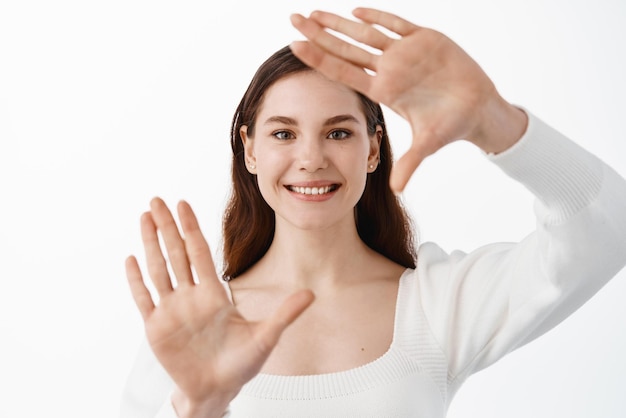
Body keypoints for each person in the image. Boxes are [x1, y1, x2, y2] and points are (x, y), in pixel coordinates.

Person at [120, 7, 626, 418]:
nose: (312, 159)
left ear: (372, 149)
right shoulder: (196, 325)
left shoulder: (437, 302)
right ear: (249, 150)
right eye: (283, 133)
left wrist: (493, 120)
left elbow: (610, 228)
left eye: (339, 132)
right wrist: (196, 407)